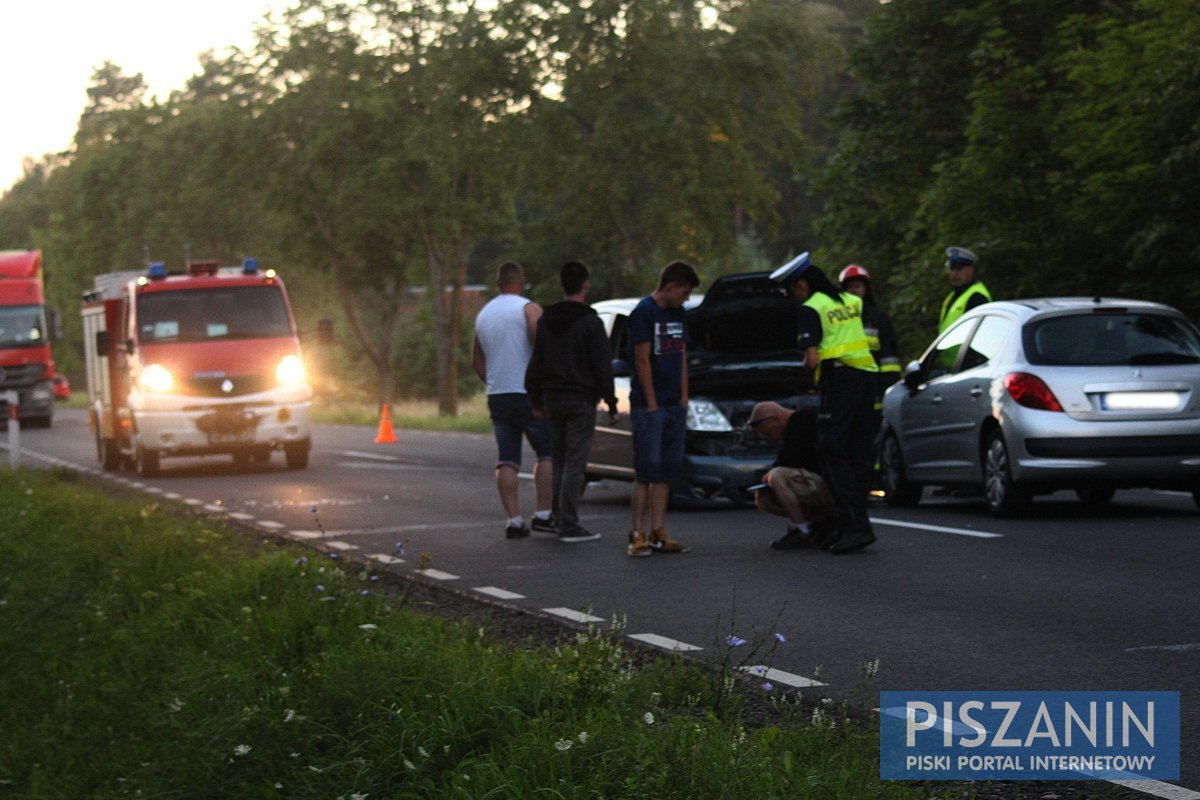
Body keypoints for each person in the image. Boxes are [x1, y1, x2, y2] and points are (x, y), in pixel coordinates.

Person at [771, 252, 878, 554]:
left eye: (791, 289)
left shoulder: (810, 308)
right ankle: (855, 525)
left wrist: (805, 371)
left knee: (830, 448)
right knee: (857, 452)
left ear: (802, 284)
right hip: (865, 377)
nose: (792, 296)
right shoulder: (848, 301)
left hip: (840, 380)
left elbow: (812, 359)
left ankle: (853, 523)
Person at [525, 261, 619, 544]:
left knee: (559, 460)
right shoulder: (591, 322)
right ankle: (569, 524)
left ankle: (556, 517)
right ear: (585, 284)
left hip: (553, 398)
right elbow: (602, 365)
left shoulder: (546, 320)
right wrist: (612, 403)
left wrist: (535, 399)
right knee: (575, 463)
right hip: (580, 399)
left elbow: (536, 361)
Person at [471, 261, 553, 539]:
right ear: (521, 281)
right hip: (527, 393)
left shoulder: (483, 314)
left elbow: (477, 360)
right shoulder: (529, 308)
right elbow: (540, 345)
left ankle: (514, 520)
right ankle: (544, 513)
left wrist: (494, 380)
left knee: (507, 459)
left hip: (498, 394)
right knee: (547, 452)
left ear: (498, 284)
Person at [626, 260, 701, 557]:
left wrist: (683, 398)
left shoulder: (678, 314)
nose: (685, 298)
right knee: (646, 471)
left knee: (666, 473)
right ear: (670, 287)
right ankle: (637, 533)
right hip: (649, 407)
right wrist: (652, 403)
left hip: (674, 405)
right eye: (683, 292)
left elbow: (681, 355)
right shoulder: (644, 313)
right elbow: (642, 360)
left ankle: (659, 531)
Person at [746, 401, 838, 551]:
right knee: (764, 498)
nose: (771, 438)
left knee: (777, 476)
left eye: (769, 433)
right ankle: (817, 523)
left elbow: (790, 458)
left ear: (775, 419)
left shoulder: (802, 420)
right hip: (817, 483)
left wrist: (771, 473)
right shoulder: (793, 428)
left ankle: (801, 530)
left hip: (828, 483)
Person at [937, 246, 991, 333]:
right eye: (951, 269)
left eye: (958, 269)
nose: (953, 274)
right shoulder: (953, 295)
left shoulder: (977, 296)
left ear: (969, 271)